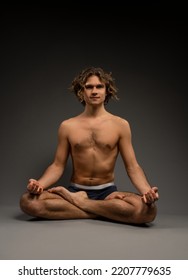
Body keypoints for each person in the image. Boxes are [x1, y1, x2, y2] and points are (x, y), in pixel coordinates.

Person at [20, 67, 159, 224]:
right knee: (28, 201)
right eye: (89, 87)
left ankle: (82, 203)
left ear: (107, 91)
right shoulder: (68, 126)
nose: (94, 91)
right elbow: (57, 166)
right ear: (81, 91)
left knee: (148, 211)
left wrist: (146, 190)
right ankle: (105, 211)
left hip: (107, 192)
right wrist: (39, 184)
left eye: (99, 86)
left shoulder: (121, 125)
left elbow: (133, 167)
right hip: (75, 190)